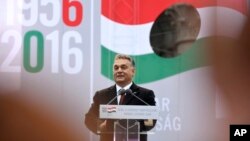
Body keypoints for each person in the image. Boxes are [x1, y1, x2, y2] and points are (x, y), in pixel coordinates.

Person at [85, 54, 157, 141]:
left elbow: (151, 121)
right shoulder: (101, 95)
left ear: (133, 71)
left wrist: (131, 127)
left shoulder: (145, 95)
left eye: (123, 67)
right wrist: (101, 126)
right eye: (116, 68)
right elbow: (89, 119)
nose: (119, 70)